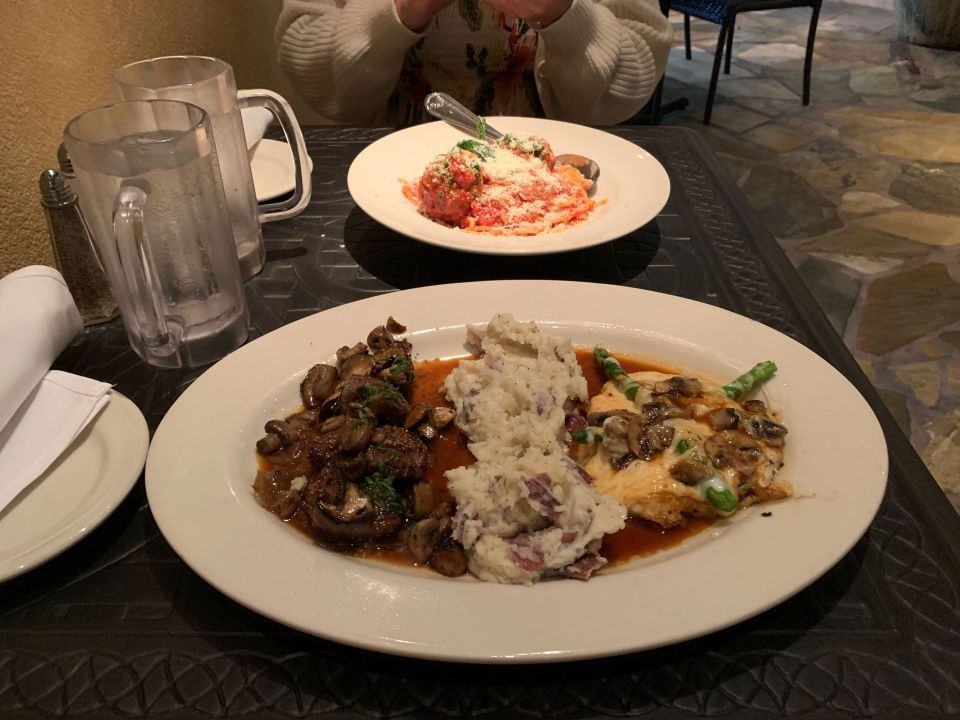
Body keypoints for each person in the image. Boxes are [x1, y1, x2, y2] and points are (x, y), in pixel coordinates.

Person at [275, 0, 673, 125]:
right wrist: (400, 11)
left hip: (560, 188)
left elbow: (632, 81)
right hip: (388, 181)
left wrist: (564, 15)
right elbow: (309, 65)